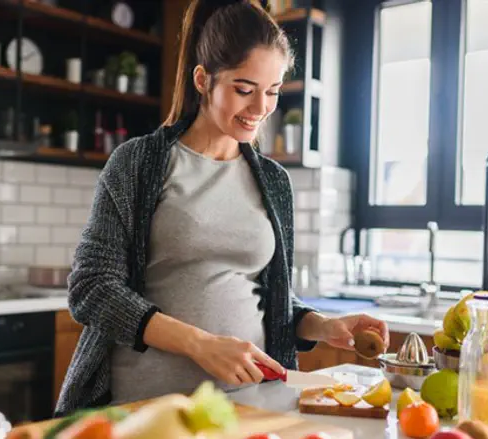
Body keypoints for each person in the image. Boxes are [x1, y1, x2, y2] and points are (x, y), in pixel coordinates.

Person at [54, 0, 389, 414]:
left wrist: (319, 325)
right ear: (203, 79)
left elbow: (269, 298)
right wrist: (201, 345)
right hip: (149, 408)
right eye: (244, 90)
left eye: (273, 91)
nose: (261, 108)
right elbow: (92, 289)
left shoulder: (274, 181)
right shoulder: (139, 163)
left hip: (252, 405)